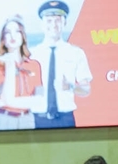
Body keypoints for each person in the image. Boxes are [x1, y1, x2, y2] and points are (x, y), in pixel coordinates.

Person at [30, 1, 92, 129]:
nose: (53, 25)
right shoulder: (31, 55)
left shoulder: (76, 53)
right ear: (42, 24)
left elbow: (86, 90)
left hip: (65, 119)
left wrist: (70, 87)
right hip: (36, 120)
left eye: (58, 20)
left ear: (64, 23)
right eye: (49, 20)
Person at [0, 15, 43, 130]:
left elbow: (40, 99)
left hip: (27, 119)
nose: (13, 36)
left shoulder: (34, 65)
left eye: (17, 31)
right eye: (8, 32)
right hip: (2, 119)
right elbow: (6, 96)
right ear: (3, 39)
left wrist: (11, 101)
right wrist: (10, 65)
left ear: (23, 36)